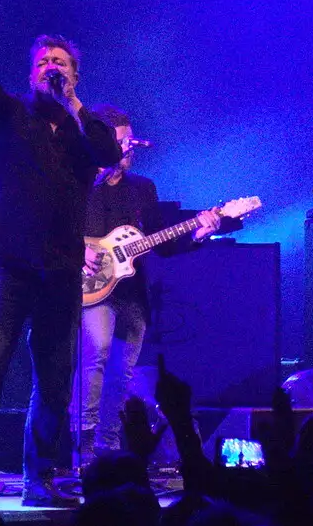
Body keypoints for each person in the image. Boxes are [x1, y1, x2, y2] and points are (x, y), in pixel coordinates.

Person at [0, 4, 123, 505]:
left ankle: (40, 479)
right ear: (32, 73)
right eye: (43, 63)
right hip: (7, 263)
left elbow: (108, 155)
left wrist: (76, 105)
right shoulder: (12, 115)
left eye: (61, 62)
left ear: (75, 75)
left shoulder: (86, 133)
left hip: (59, 269)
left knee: (55, 378)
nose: (51, 67)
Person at [78, 106, 220, 459]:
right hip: (92, 290)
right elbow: (53, 228)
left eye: (131, 142)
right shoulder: (77, 184)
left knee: (120, 374)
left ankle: (108, 447)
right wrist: (79, 247)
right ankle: (82, 445)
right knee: (95, 359)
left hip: (132, 294)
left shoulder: (142, 188)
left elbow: (162, 242)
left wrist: (198, 233)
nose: (129, 149)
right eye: (122, 142)